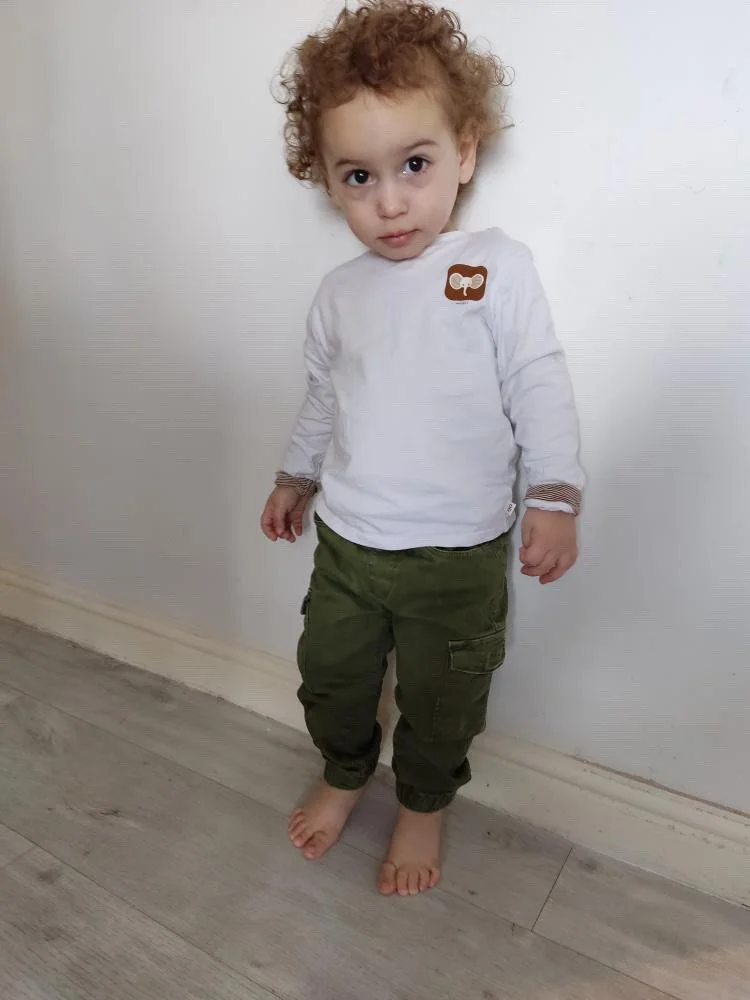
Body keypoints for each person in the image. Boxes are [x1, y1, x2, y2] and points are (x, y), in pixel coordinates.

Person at [260, 0, 584, 899]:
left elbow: (537, 376)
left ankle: (425, 799)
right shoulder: (339, 294)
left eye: (414, 164)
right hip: (350, 547)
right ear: (326, 180)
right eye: (358, 177)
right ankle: (344, 770)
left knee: (444, 700)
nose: (391, 201)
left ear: (466, 154)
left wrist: (556, 492)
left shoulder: (492, 267)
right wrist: (296, 476)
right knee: (330, 675)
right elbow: (324, 398)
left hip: (457, 556)